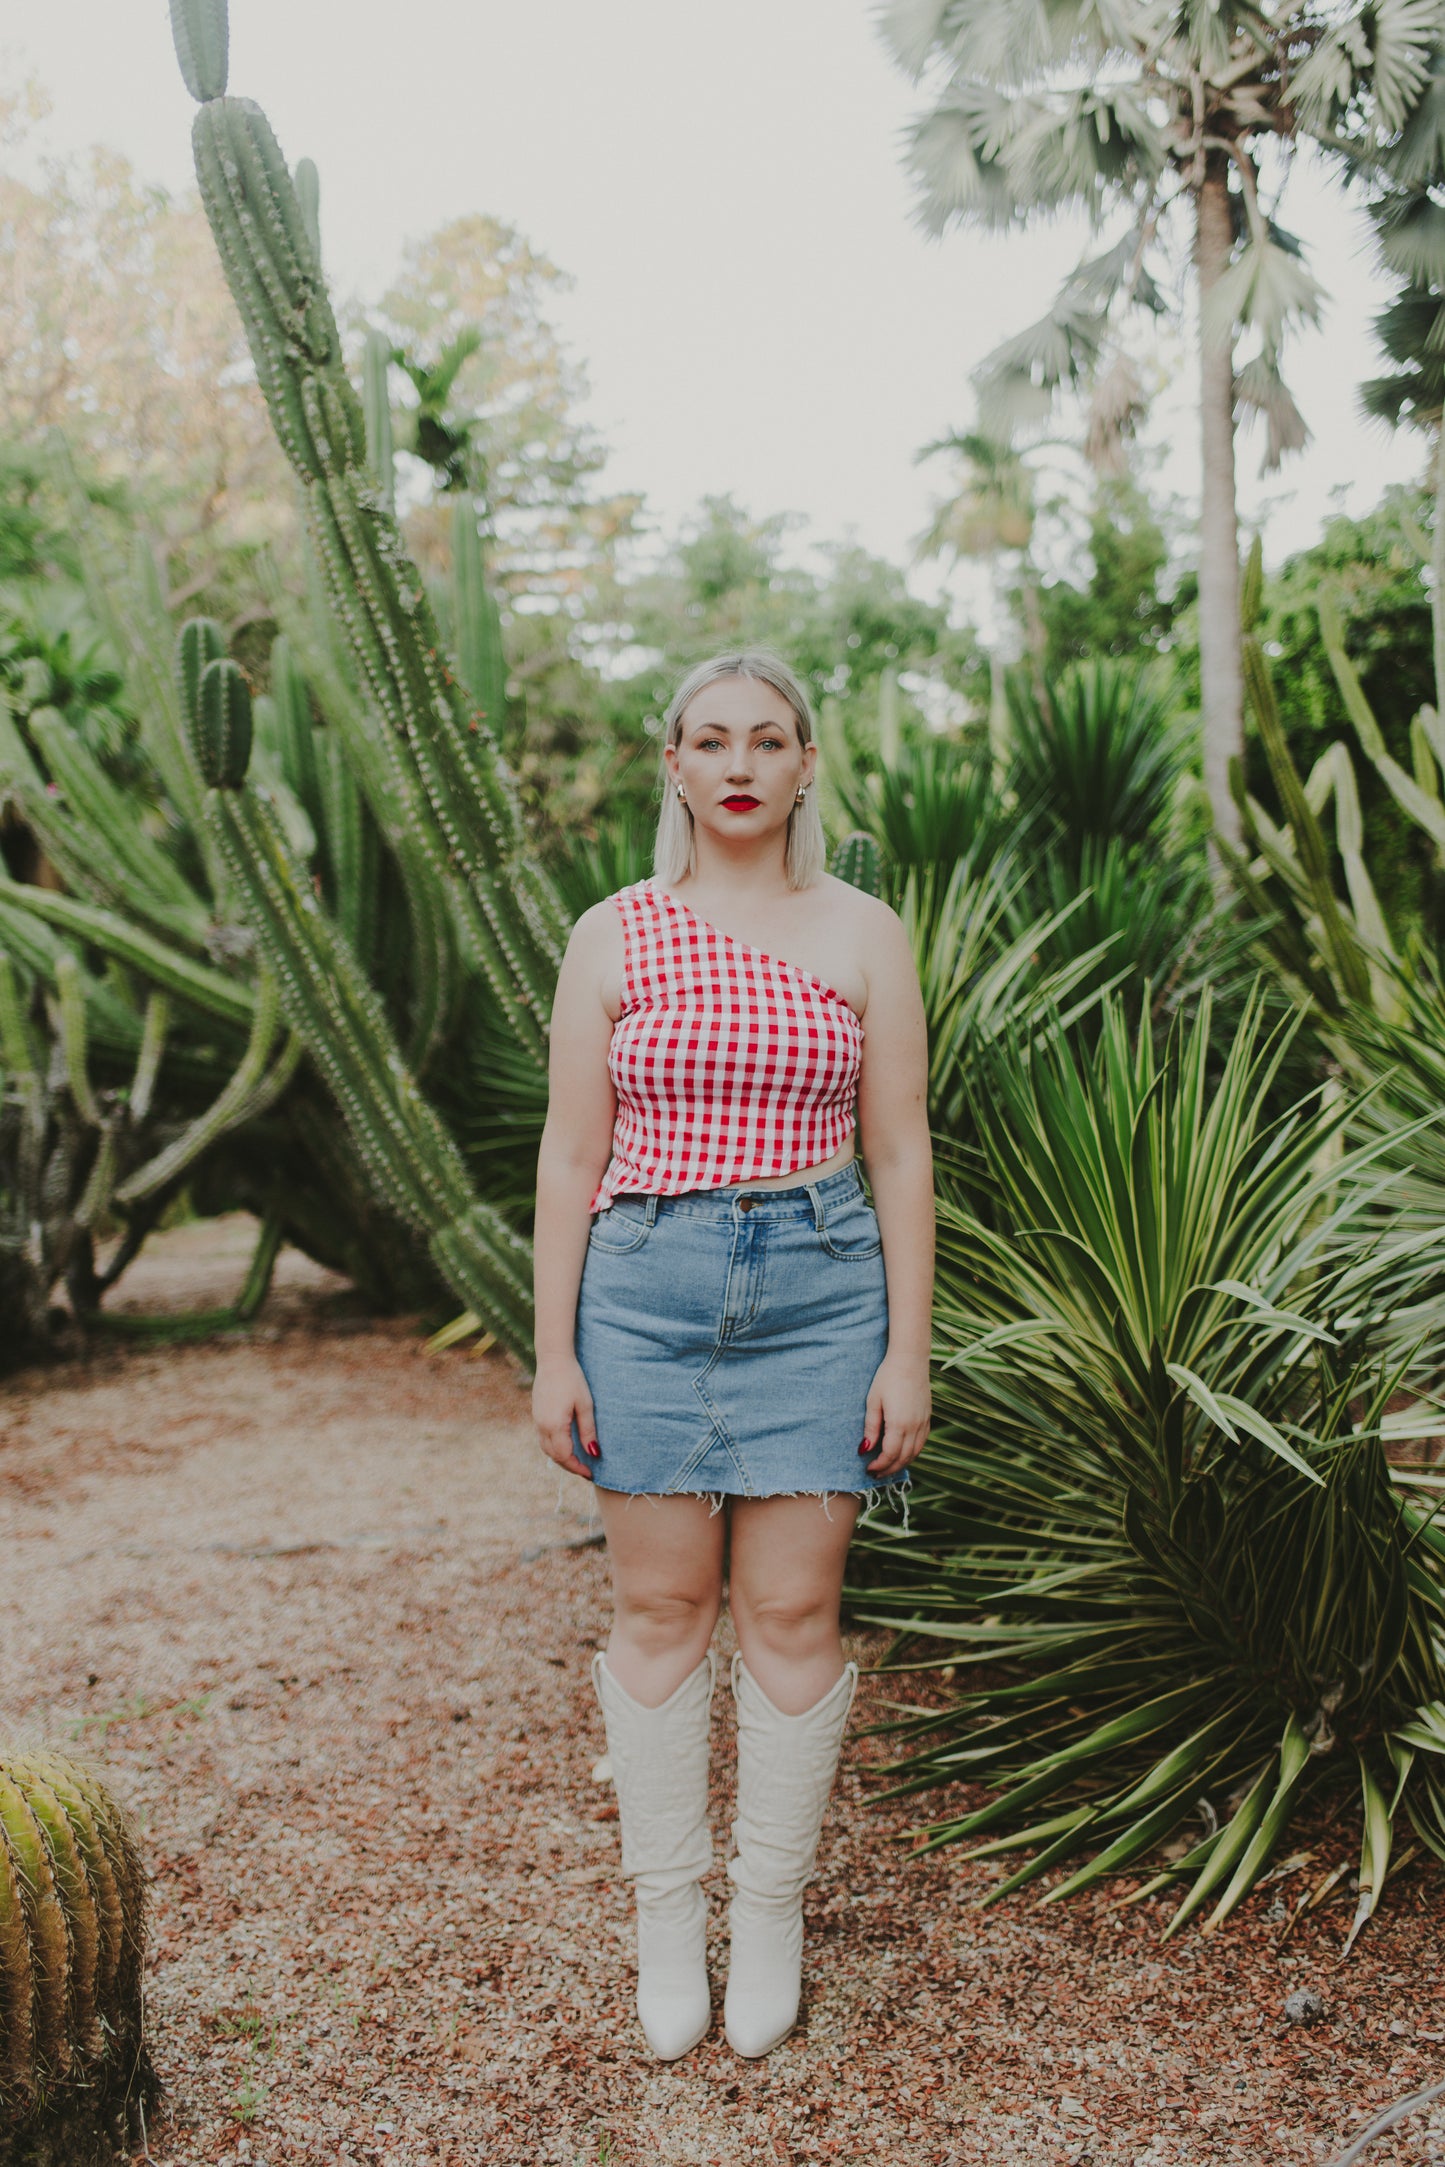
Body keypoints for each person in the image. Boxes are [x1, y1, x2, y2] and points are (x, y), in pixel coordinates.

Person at [532, 648, 934, 2061]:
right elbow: (571, 1152)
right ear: (675, 767)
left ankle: (764, 1914)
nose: (741, 764)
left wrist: (906, 1353)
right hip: (640, 1291)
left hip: (820, 1301)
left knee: (789, 1615)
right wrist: (552, 1352)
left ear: (806, 762)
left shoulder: (864, 932)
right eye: (711, 741)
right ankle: (664, 1921)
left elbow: (896, 1149)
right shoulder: (614, 931)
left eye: (768, 740)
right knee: (659, 1614)